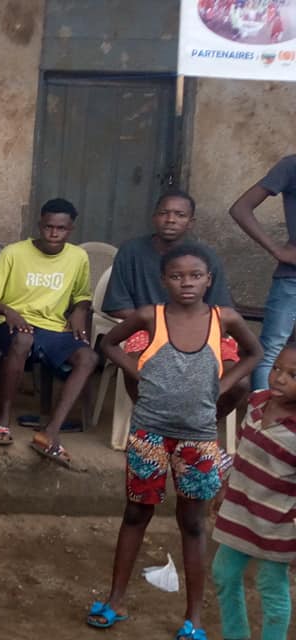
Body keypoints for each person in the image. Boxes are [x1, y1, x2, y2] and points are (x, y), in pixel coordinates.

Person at [91, 243, 261, 640]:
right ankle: (115, 600)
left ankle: (194, 618)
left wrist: (224, 384)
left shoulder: (224, 319)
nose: (187, 283)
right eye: (177, 276)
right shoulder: (150, 316)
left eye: (195, 276)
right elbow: (109, 344)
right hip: (148, 433)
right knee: (136, 513)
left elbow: (254, 354)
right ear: (163, 280)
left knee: (193, 523)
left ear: (209, 280)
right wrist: (139, 370)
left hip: (198, 439)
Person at [105, 189, 245, 413]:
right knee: (136, 366)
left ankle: (200, 423)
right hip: (147, 328)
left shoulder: (205, 256)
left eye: (180, 215)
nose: (171, 220)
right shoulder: (131, 251)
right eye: (164, 213)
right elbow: (117, 304)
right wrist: (162, 322)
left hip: (201, 327)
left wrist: (189, 327)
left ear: (191, 222)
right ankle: (148, 421)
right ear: (154, 217)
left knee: (239, 383)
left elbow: (221, 308)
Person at [0, 198, 98, 465]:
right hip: (15, 324)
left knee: (88, 357)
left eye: (61, 228)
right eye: (48, 227)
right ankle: (2, 421)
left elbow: (82, 295)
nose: (54, 234)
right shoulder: (13, 253)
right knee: (23, 340)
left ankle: (50, 431)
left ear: (71, 229)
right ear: (39, 225)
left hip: (55, 328)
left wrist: (80, 311)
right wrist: (8, 311)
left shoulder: (78, 257)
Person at [211, 345, 296, 640]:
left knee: (271, 588)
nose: (280, 378)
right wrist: (226, 486)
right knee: (224, 573)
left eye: (293, 375)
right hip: (240, 510)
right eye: (276, 368)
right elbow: (242, 448)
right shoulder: (257, 401)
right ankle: (236, 635)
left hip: (277, 525)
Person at [229, 155, 296, 390]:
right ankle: (260, 410)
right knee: (271, 351)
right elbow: (241, 208)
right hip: (292, 279)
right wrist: (277, 250)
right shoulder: (291, 166)